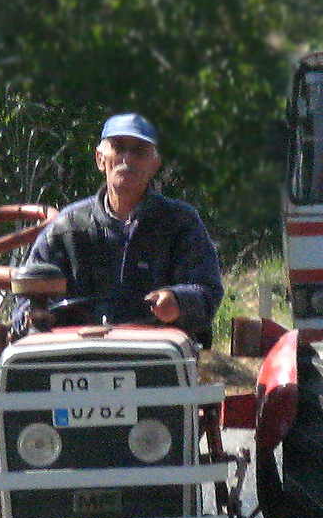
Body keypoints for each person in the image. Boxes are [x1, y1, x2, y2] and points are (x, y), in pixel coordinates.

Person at [12, 112, 224, 344]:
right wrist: (33, 317)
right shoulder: (67, 228)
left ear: (156, 163)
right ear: (100, 159)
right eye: (119, 147)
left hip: (157, 359)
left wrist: (178, 301)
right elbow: (27, 302)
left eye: (139, 150)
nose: (127, 158)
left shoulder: (181, 223)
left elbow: (207, 291)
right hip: (74, 359)